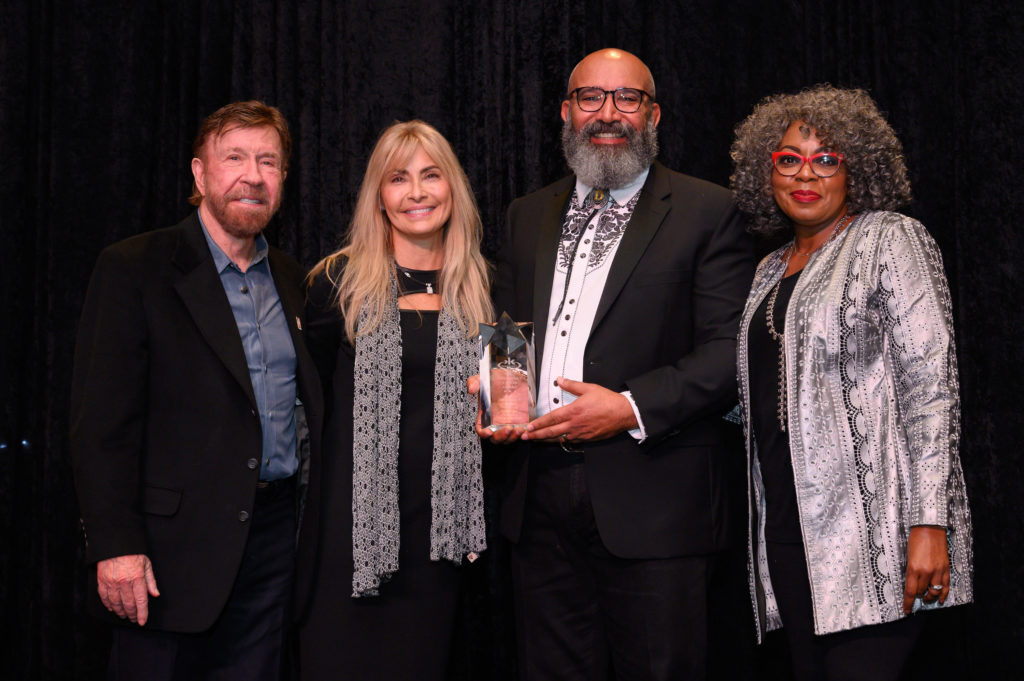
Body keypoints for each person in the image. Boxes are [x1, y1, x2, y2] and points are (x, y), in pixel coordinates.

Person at [478, 48, 754, 680]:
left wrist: (627, 406)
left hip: (654, 498)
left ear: (652, 115)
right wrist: (496, 389)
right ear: (566, 112)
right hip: (538, 494)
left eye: (626, 99)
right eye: (590, 98)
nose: (608, 114)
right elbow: (508, 331)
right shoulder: (527, 213)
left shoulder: (707, 211)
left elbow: (727, 352)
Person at [70, 101, 322, 680]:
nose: (252, 175)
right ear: (199, 173)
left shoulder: (292, 278)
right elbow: (100, 424)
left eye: (268, 161)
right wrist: (114, 546)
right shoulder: (135, 267)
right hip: (164, 557)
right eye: (234, 157)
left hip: (274, 546)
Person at [729, 84, 974, 680]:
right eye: (788, 158)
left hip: (878, 532)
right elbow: (764, 396)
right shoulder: (767, 268)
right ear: (769, 172)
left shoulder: (890, 238)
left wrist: (929, 523)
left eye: (826, 158)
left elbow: (931, 389)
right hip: (788, 534)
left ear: (856, 168)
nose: (805, 173)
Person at [296, 120, 492, 680]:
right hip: (349, 536)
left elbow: (507, 399)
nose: (416, 193)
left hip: (439, 541)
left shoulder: (484, 288)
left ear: (452, 187)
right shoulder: (336, 285)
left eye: (431, 176)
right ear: (379, 198)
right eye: (397, 179)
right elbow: (308, 411)